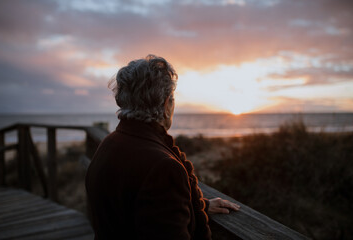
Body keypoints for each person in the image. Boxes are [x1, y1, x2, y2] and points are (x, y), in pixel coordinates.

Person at [85, 55, 240, 240]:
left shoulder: (109, 144)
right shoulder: (164, 168)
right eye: (172, 100)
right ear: (167, 104)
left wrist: (198, 206)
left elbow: (134, 207)